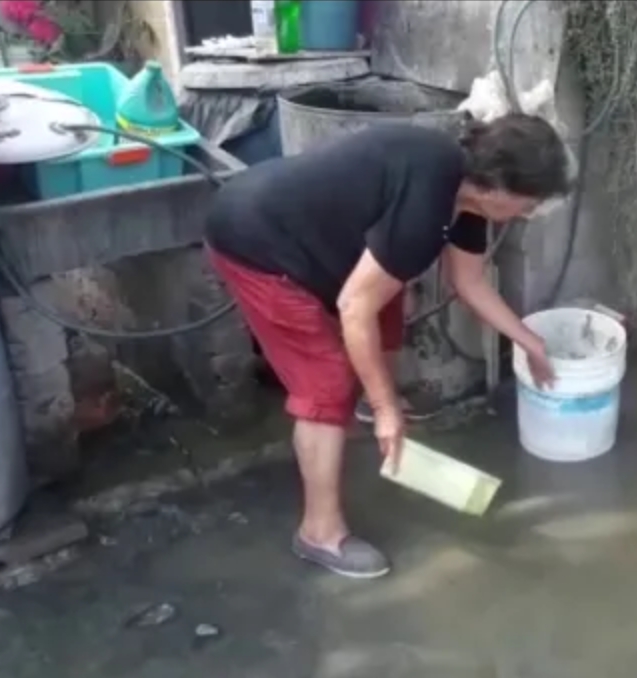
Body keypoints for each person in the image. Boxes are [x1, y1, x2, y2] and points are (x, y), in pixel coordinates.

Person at [204, 113, 571, 579]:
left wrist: (530, 343)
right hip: (255, 240)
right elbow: (355, 308)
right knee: (326, 382)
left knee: (390, 307)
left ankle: (363, 411)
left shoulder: (466, 195)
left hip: (306, 230)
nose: (527, 213)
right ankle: (319, 531)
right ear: (498, 185)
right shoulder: (426, 205)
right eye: (528, 202)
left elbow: (470, 281)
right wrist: (385, 409)